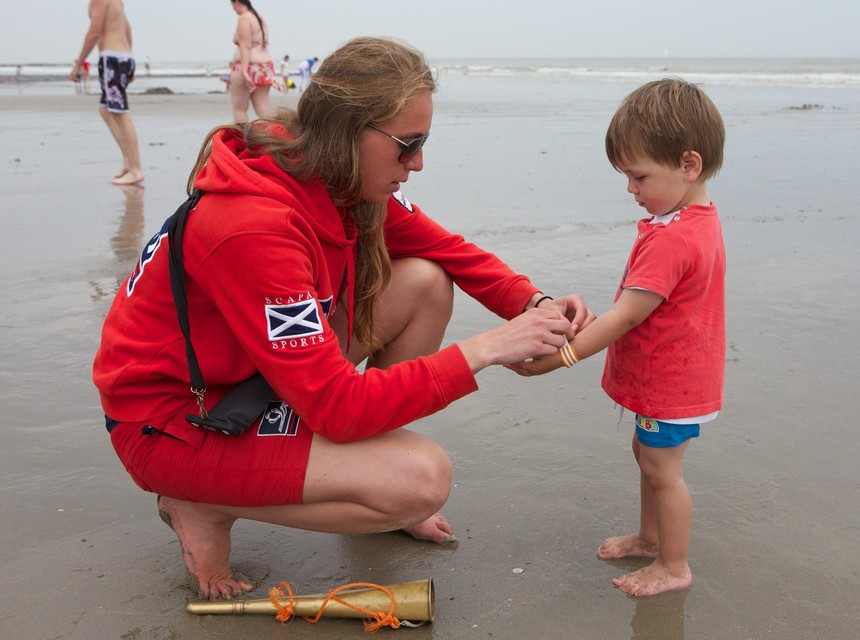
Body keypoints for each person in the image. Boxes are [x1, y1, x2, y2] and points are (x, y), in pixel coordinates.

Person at [92, 36, 595, 600]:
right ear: (345, 130)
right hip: (175, 422)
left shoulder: (341, 177)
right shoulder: (255, 225)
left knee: (426, 282)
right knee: (423, 480)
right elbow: (334, 408)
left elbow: (448, 249)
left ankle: (364, 473)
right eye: (408, 144)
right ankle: (200, 502)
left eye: (423, 142)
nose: (419, 162)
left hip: (247, 378)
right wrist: (488, 349)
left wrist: (534, 304)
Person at [510, 78, 726, 597]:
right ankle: (651, 538)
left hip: (669, 380)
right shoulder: (695, 218)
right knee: (646, 454)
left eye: (638, 176)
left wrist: (558, 357)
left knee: (661, 467)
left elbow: (626, 316)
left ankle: (674, 565)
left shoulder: (673, 239)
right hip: (678, 373)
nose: (630, 188)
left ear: (688, 165)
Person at [69, 0, 144, 185]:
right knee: (105, 109)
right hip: (123, 57)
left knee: (120, 114)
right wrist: (129, 61)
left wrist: (79, 63)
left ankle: (136, 170)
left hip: (112, 59)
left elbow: (94, 33)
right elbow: (128, 28)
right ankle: (128, 161)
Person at [228, 0, 278, 122]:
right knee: (263, 108)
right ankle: (276, 137)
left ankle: (241, 139)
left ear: (237, 2)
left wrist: (244, 71)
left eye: (233, 5)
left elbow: (245, 46)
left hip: (248, 66)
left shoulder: (244, 18)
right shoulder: (259, 17)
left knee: (240, 109)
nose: (233, 9)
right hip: (264, 67)